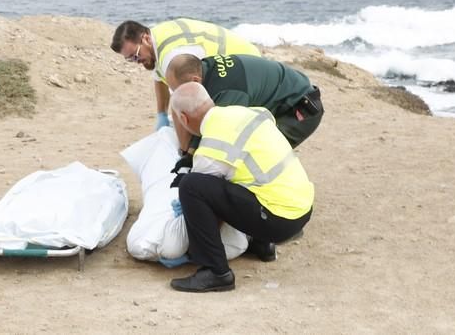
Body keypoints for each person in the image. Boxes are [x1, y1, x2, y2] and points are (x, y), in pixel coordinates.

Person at [168, 82, 314, 292]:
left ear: (183, 118)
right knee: (241, 176)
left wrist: (196, 240)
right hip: (301, 207)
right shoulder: (248, 112)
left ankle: (216, 272)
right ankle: (261, 245)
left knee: (191, 186)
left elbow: (209, 205)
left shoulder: (210, 149)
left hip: (278, 220)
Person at [110, 18, 261, 129]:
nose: (136, 61)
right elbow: (158, 78)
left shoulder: (173, 55)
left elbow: (187, 103)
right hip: (230, 69)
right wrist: (161, 114)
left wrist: (186, 151)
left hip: (246, 68)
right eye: (129, 59)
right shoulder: (155, 42)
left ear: (146, 38)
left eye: (135, 55)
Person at [166, 53, 323, 154]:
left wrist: (190, 154)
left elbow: (214, 134)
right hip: (285, 96)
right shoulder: (205, 67)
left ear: (195, 80)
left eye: (179, 89)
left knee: (259, 154)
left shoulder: (227, 93)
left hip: (301, 109)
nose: (178, 94)